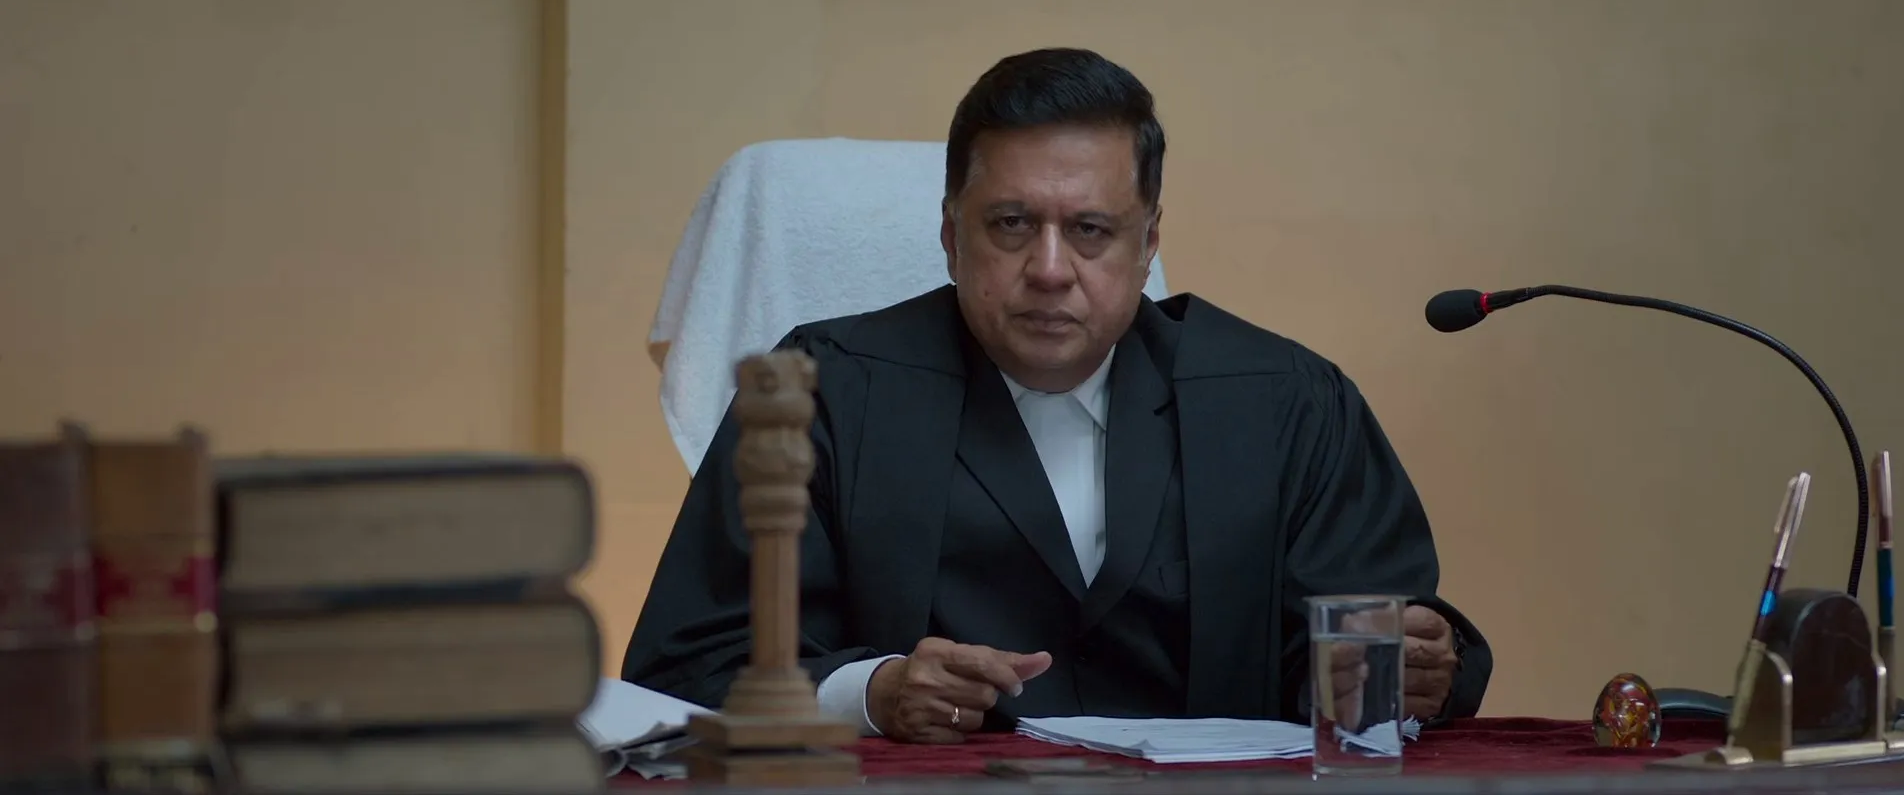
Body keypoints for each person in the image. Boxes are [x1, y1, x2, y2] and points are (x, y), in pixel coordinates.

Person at [622, 47, 1493, 745]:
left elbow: (1375, 654)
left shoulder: (1284, 404)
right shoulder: (825, 392)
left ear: (1148, 243)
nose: (1048, 269)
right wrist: (874, 691)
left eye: (1090, 230)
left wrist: (1416, 670)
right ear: (950, 235)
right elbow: (689, 665)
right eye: (1011, 225)